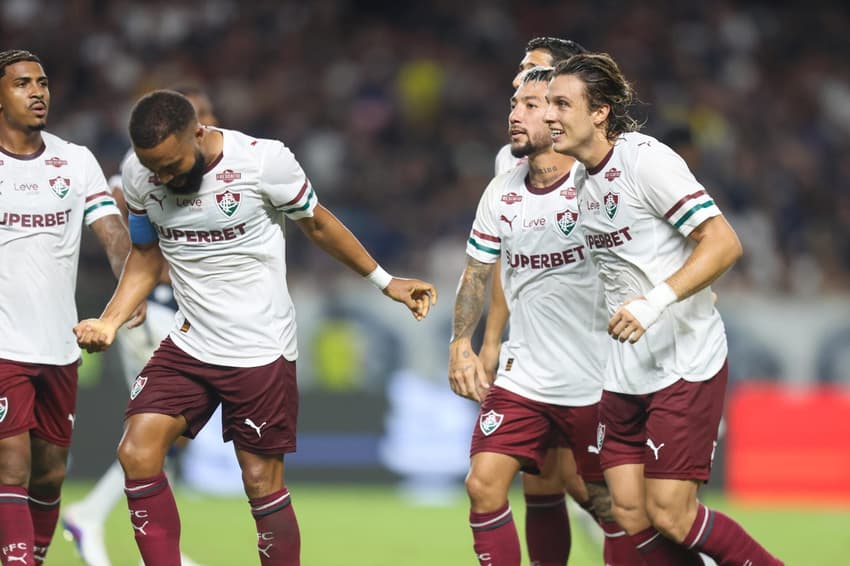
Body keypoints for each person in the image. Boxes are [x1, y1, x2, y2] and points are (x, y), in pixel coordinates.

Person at [73, 89, 437, 565]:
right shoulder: (142, 176)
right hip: (190, 343)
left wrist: (385, 282)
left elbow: (319, 225)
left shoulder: (262, 162)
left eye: (171, 164)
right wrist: (110, 319)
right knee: (137, 452)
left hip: (259, 350)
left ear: (198, 133)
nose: (162, 176)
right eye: (153, 167)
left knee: (260, 482)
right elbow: (144, 256)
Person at [544, 52, 783, 564]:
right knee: (627, 511)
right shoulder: (582, 185)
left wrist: (657, 301)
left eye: (562, 104)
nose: (550, 116)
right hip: (625, 368)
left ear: (600, 111)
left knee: (673, 514)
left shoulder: (644, 160)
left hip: (682, 360)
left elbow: (723, 243)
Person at [449, 68, 641, 566]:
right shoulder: (502, 192)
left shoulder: (595, 184)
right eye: (514, 104)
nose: (515, 114)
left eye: (531, 105)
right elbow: (476, 273)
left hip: (596, 378)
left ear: (559, 116)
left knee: (613, 506)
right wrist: (463, 344)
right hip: (525, 376)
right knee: (483, 483)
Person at [61, 84, 218, 566]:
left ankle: (96, 517)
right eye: (201, 115)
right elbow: (129, 246)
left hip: (181, 313)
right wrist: (135, 296)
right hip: (152, 310)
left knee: (162, 438)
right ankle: (94, 517)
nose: (208, 126)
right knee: (159, 432)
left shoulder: (204, 174)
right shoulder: (133, 178)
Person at [0, 49, 142, 566]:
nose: (37, 92)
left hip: (59, 345)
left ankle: (31, 556)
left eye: (41, 82)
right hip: (2, 344)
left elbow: (111, 231)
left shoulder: (74, 160)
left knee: (51, 470)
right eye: (21, 84)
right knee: (10, 465)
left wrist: (129, 291)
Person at [482, 37, 608, 564]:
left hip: (597, 351)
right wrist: (491, 339)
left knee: (599, 494)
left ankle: (676, 547)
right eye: (518, 74)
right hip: (535, 356)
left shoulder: (599, 157)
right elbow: (506, 258)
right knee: (541, 482)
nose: (518, 83)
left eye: (532, 74)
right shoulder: (510, 162)